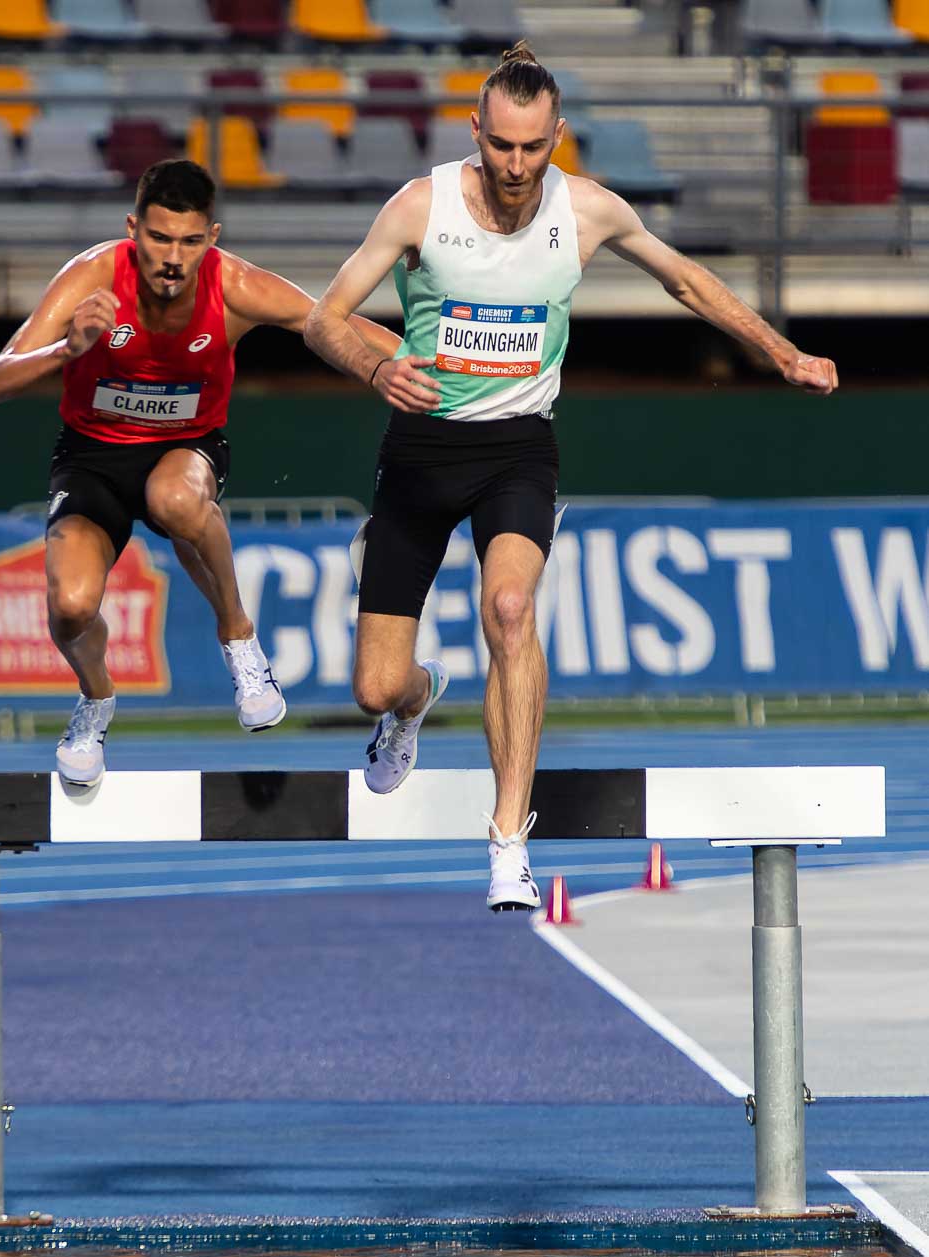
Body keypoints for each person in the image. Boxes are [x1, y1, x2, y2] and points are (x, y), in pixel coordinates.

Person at [304, 43, 838, 913]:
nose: (516, 166)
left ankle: (507, 839)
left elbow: (685, 280)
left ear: (557, 137)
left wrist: (782, 352)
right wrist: (374, 368)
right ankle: (416, 699)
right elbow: (324, 318)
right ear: (475, 131)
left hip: (518, 449)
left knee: (511, 610)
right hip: (420, 452)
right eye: (500, 146)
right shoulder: (420, 207)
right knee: (375, 686)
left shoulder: (586, 210)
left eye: (532, 147)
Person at [0, 159, 399, 786]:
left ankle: (239, 635)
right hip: (92, 458)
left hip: (186, 450)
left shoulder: (235, 286)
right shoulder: (92, 278)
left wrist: (429, 363)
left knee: (173, 498)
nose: (173, 258)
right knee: (69, 607)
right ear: (133, 230)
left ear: (212, 237)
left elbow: (330, 322)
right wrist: (68, 348)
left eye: (190, 241)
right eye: (159, 238)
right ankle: (95, 701)